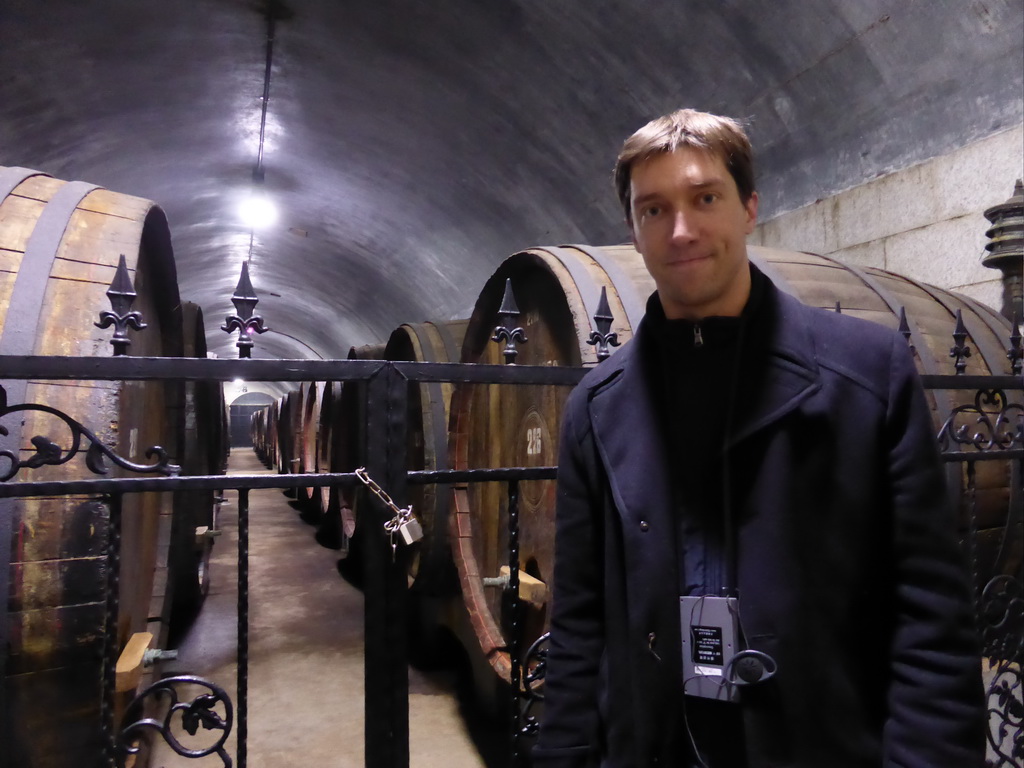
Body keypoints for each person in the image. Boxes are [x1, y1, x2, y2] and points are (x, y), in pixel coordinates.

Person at [532, 109, 985, 767]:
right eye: (653, 209)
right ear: (633, 230)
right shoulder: (597, 408)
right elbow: (578, 623)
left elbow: (929, 615)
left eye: (705, 198)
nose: (681, 229)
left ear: (748, 207)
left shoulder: (865, 374)